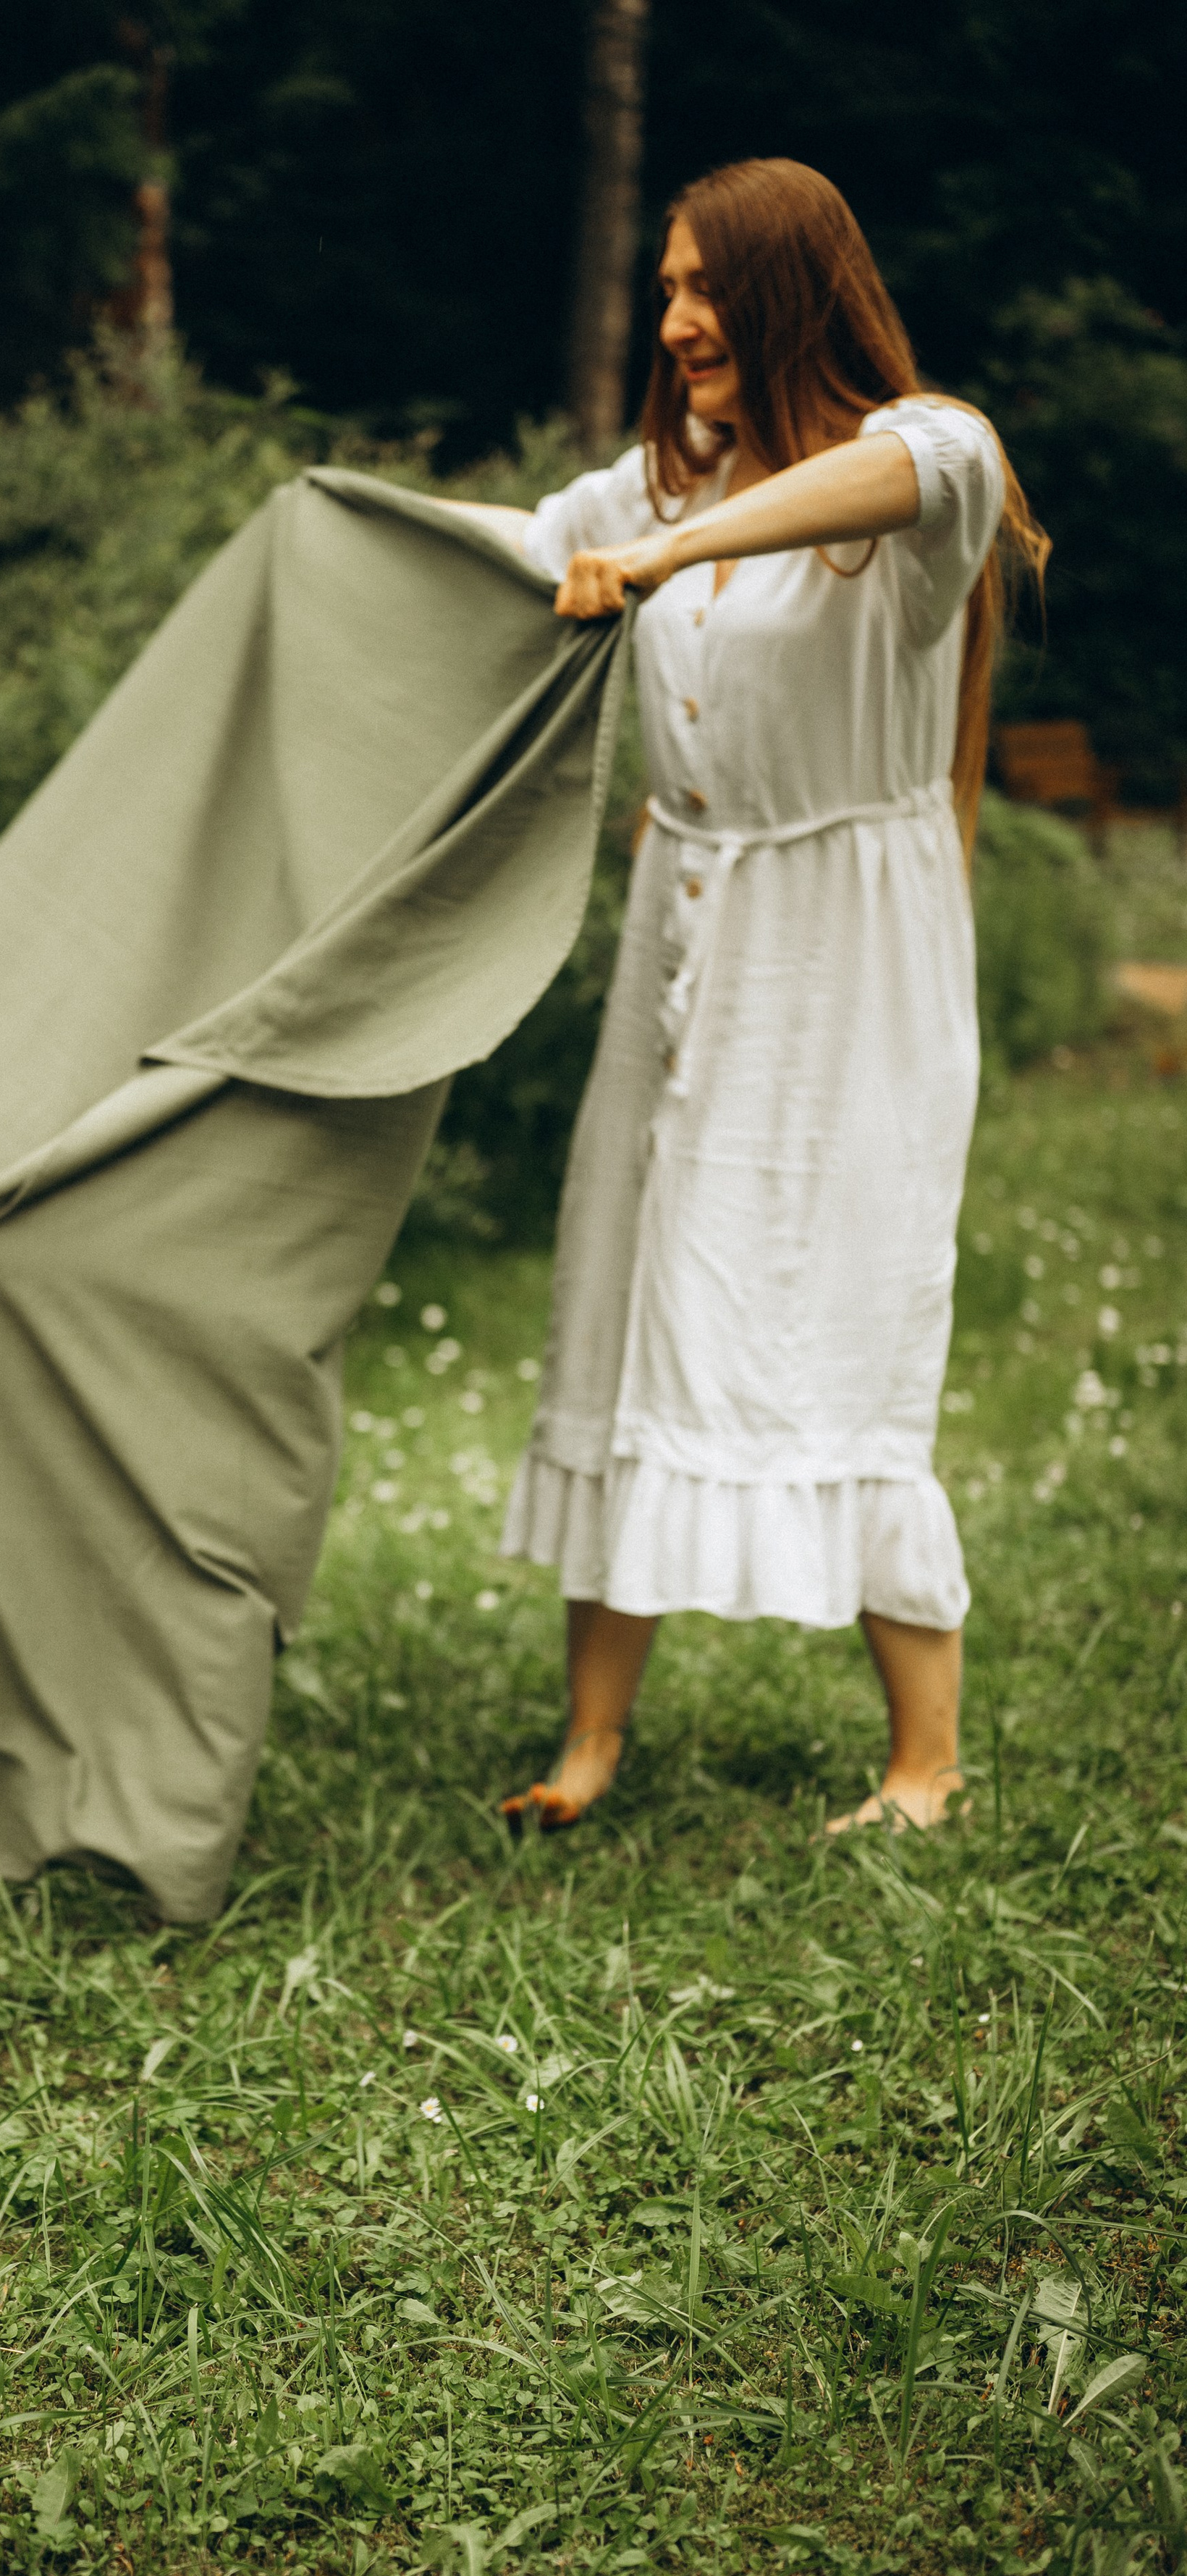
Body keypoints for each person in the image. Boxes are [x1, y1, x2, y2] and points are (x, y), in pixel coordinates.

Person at [493, 157, 1048, 1836]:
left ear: (787, 287)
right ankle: (587, 1745)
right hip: (686, 935)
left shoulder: (927, 461)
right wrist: (330, 534)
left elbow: (897, 469)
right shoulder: (660, 484)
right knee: (631, 1285)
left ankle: (921, 1761)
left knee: (833, 1304)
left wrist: (665, 551)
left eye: (698, 284)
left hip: (846, 955)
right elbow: (518, 555)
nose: (670, 321)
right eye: (660, 288)